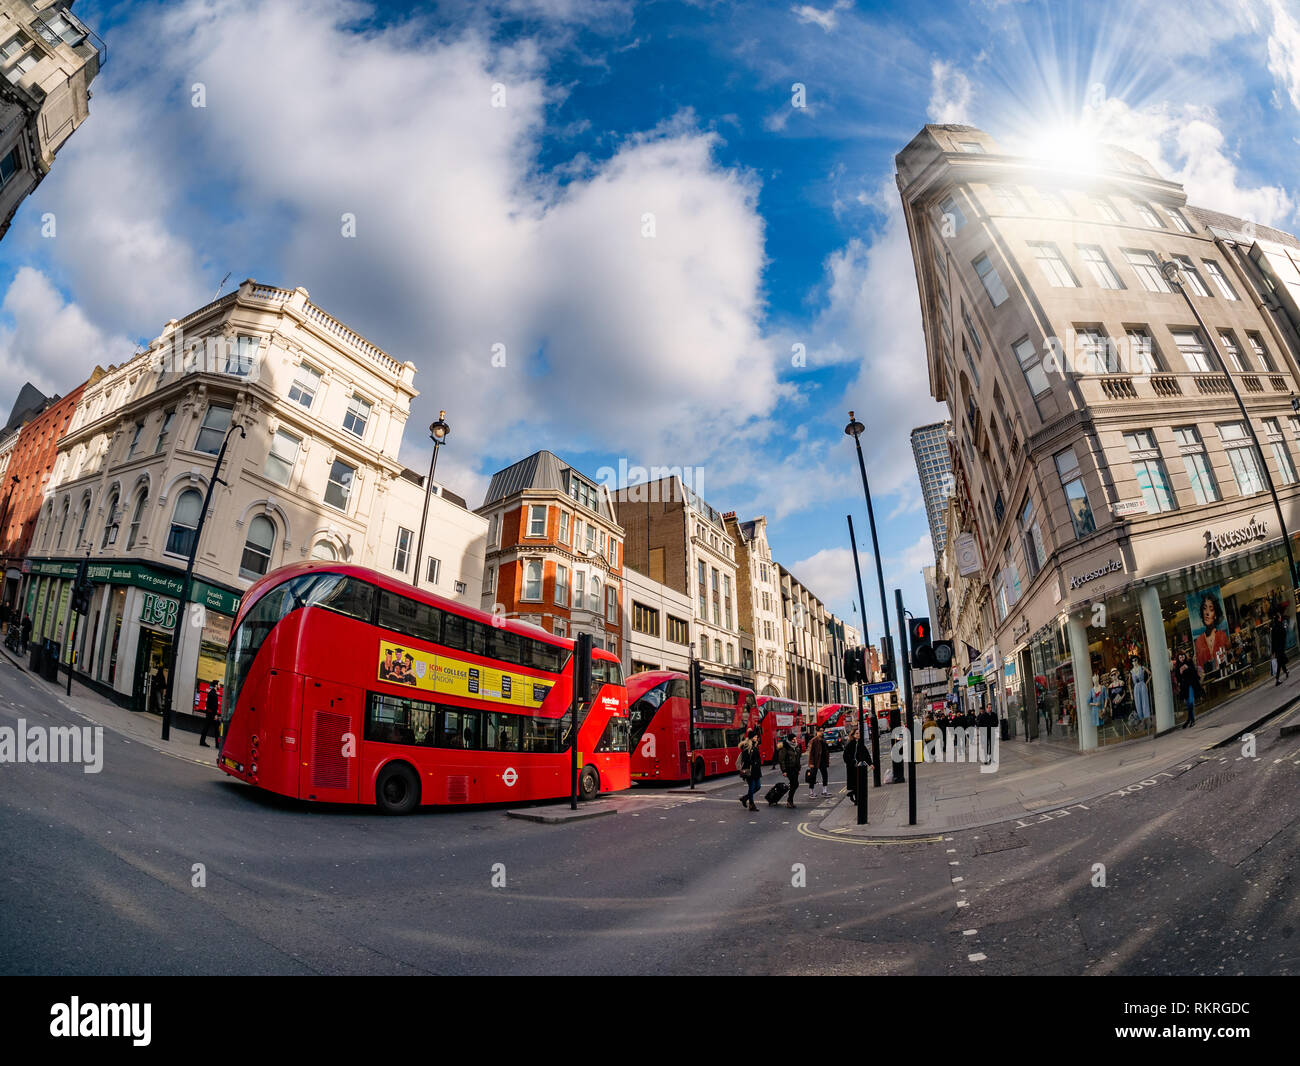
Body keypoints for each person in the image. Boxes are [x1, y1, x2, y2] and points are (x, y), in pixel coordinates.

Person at [1193, 592, 1230, 673]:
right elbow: (1199, 667)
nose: (1207, 613)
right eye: (1204, 608)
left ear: (1215, 614)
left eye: (1211, 609)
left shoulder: (1222, 636)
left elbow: (1228, 655)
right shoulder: (1198, 641)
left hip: (1223, 673)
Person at [843, 726, 870, 804]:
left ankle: (852, 795)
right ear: (853, 735)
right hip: (852, 768)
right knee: (856, 783)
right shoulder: (850, 744)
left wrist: (870, 764)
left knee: (859, 783)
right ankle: (856, 800)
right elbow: (845, 756)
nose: (858, 734)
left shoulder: (860, 743)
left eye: (859, 733)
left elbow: (866, 754)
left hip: (859, 766)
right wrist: (851, 763)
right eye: (857, 733)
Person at [737, 728, 761, 811]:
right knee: (752, 787)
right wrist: (753, 763)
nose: (756, 738)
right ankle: (751, 804)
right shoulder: (747, 747)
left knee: (758, 786)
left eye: (757, 736)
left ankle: (745, 798)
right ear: (751, 738)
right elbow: (745, 759)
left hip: (756, 770)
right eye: (755, 737)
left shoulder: (755, 745)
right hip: (750, 770)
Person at [776, 733, 801, 809]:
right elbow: (781, 760)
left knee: (794, 784)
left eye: (795, 738)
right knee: (795, 783)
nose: (795, 740)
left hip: (795, 768)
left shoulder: (796, 746)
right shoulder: (785, 747)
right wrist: (784, 771)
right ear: (790, 739)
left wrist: (798, 768)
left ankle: (790, 801)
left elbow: (798, 759)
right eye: (793, 739)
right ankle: (789, 801)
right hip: (789, 768)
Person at [1176, 653, 1200, 728]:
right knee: (1188, 704)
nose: (1182, 659)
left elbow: (1194, 671)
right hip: (1184, 687)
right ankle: (1190, 719)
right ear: (1178, 658)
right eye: (1180, 657)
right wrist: (1180, 672)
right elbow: (1178, 678)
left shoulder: (1189, 662)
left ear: (1185, 656)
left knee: (1191, 702)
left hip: (1191, 684)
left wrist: (1187, 668)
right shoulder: (1177, 667)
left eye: (1183, 657)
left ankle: (1191, 720)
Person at [808, 726, 830, 798]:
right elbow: (810, 753)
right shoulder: (813, 740)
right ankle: (811, 792)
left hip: (822, 761)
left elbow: (826, 751)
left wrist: (827, 761)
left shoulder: (823, 740)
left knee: (825, 775)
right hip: (815, 761)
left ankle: (824, 791)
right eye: (820, 731)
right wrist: (811, 763)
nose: (822, 732)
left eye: (823, 731)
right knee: (813, 776)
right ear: (817, 732)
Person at [199, 681, 222, 747]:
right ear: (216, 685)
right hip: (212, 714)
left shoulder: (212, 692)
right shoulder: (213, 693)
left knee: (207, 728)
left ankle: (202, 741)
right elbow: (213, 705)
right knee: (216, 730)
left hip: (210, 713)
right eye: (219, 685)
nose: (220, 686)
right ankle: (217, 745)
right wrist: (215, 715)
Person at [1271, 613, 1291, 685]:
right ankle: (1277, 679)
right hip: (1281, 647)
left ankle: (1286, 671)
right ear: (1278, 618)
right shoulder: (1281, 625)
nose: (1281, 618)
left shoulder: (1273, 628)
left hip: (1276, 648)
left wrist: (1273, 651)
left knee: (1281, 661)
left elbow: (1272, 640)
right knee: (1280, 663)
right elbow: (1284, 635)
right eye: (1280, 617)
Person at [1131, 658, 1151, 724]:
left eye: (1135, 660)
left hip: (1142, 685)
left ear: (1137, 660)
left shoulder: (1142, 668)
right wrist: (1131, 694)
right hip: (1136, 687)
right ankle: (1141, 720)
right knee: (1138, 703)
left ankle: (1147, 718)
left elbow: (1150, 674)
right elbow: (1128, 683)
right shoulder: (1131, 671)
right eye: (1133, 661)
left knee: (1145, 702)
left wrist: (1146, 683)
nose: (1134, 662)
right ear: (1132, 662)